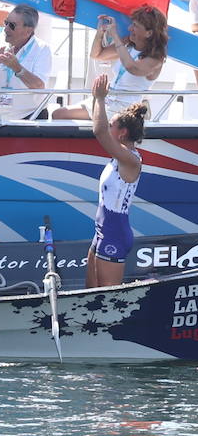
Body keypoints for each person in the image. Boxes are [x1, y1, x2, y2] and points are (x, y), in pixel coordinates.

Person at [54, 5, 167, 120]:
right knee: (58, 114)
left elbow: (132, 67)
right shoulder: (127, 45)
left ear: (149, 33)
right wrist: (100, 32)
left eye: (135, 26)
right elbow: (97, 55)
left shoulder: (156, 59)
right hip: (107, 100)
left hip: (126, 108)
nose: (130, 28)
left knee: (104, 124)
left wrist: (115, 35)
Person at [85, 75, 146, 288]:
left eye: (113, 125)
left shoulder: (131, 161)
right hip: (102, 232)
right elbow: (99, 125)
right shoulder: (119, 156)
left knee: (104, 301)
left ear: (122, 133)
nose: (108, 127)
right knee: (89, 295)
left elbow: (99, 131)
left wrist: (101, 98)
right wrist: (96, 99)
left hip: (114, 235)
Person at [0, 4, 53, 119]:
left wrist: (17, 68)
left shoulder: (42, 49)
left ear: (28, 31)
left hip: (31, 117)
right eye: (5, 23)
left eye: (12, 25)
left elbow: (39, 86)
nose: (6, 29)